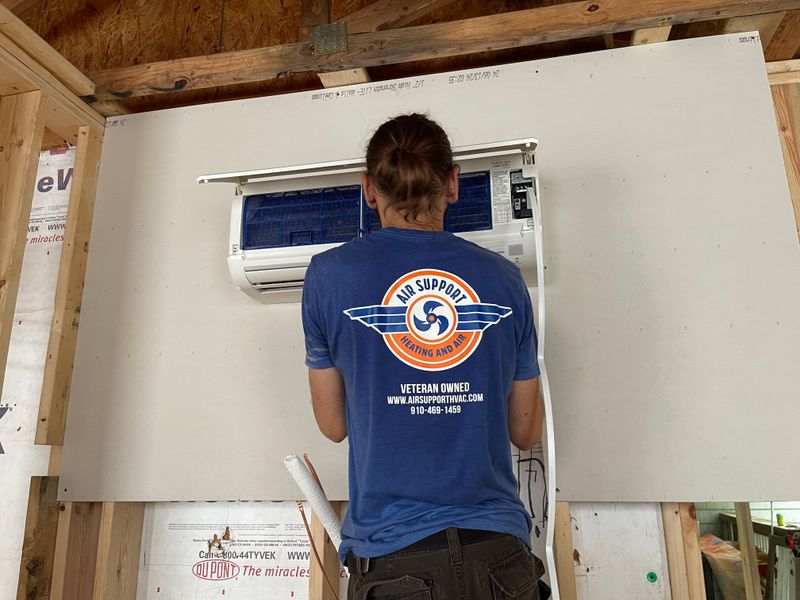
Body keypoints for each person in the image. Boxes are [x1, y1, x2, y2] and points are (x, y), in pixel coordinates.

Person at [301, 113, 545, 599]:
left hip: (392, 557)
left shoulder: (328, 276)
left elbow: (333, 426)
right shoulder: (504, 279)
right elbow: (526, 431)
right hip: (499, 554)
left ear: (370, 189)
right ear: (452, 183)